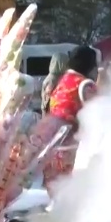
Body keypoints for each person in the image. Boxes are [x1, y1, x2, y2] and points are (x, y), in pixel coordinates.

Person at [38, 46, 99, 190]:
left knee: (56, 191)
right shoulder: (86, 84)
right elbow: (98, 114)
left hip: (53, 144)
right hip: (72, 147)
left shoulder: (61, 81)